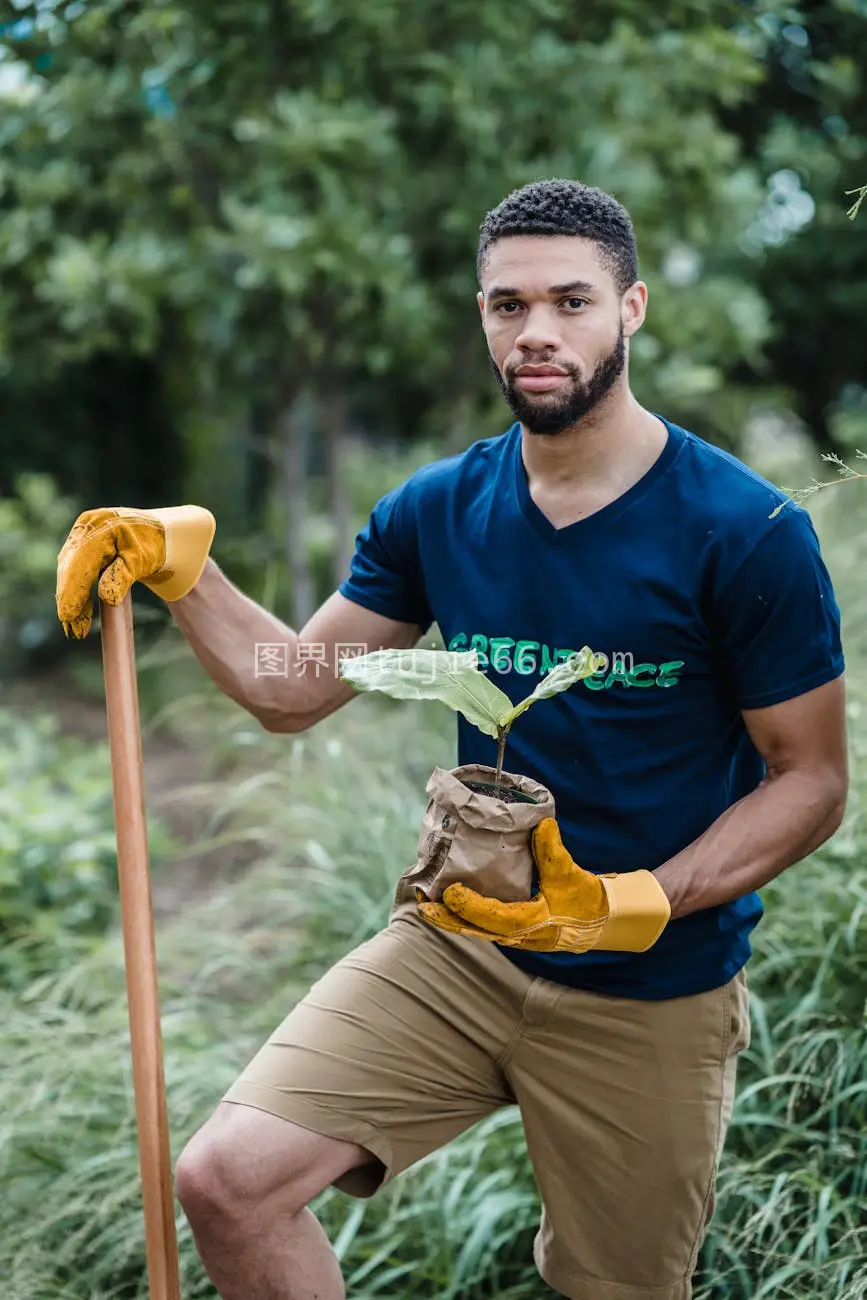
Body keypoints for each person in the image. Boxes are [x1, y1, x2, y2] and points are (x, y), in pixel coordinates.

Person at [55, 179, 848, 1300]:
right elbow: (291, 690)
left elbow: (810, 781)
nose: (536, 332)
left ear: (632, 309)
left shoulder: (746, 531)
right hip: (459, 945)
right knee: (230, 1180)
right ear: (480, 314)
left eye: (571, 301)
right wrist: (191, 572)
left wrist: (633, 902)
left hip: (651, 984)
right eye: (507, 305)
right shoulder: (438, 508)